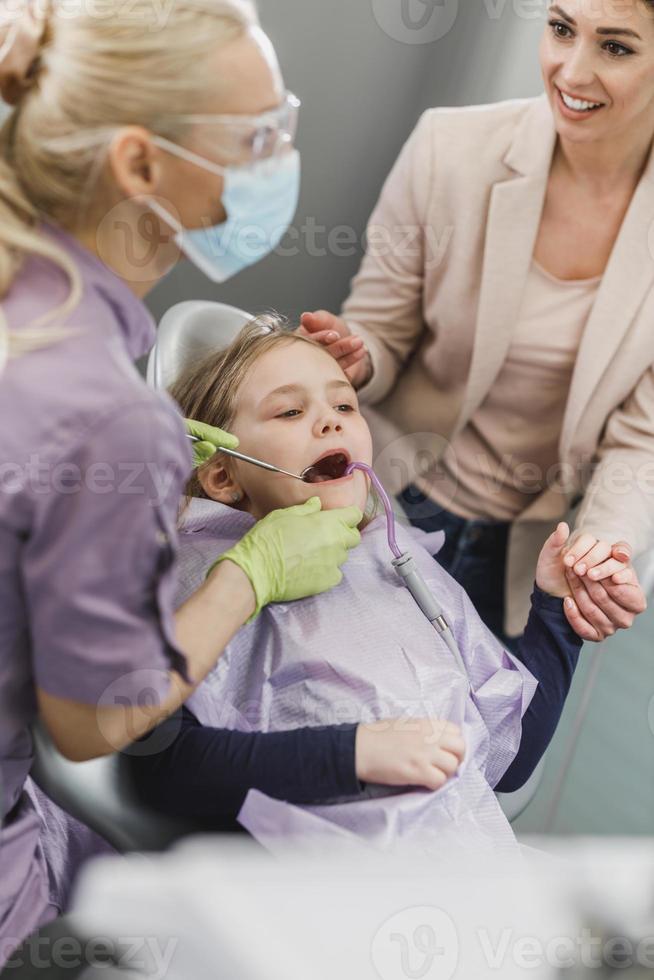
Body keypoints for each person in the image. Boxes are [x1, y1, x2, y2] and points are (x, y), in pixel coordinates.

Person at [0, 0, 453, 963]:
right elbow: (93, 723)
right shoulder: (110, 422)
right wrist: (248, 573)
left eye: (338, 403)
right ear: (139, 166)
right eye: (256, 137)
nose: (275, 160)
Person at [126, 316, 646, 850]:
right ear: (223, 476)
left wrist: (556, 612)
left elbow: (505, 766)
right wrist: (355, 755)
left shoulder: (402, 565)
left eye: (345, 405)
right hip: (319, 897)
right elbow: (163, 771)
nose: (331, 423)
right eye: (289, 410)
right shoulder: (204, 578)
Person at [300, 0, 654, 650]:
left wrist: (602, 550)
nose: (571, 72)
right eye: (560, 30)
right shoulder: (451, 148)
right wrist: (356, 358)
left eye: (617, 47)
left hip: (528, 550)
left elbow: (643, 441)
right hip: (385, 494)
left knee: (477, 736)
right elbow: (381, 327)